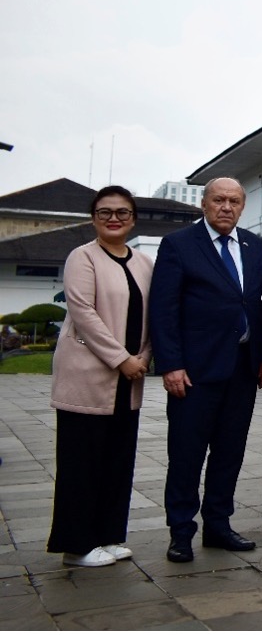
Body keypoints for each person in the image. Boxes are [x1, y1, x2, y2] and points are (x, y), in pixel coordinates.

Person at [150, 178, 262, 564]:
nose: (226, 207)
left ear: (242, 206)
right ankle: (181, 531)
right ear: (204, 204)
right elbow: (163, 310)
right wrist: (171, 364)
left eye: (234, 201)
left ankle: (218, 524)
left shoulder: (253, 246)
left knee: (229, 453)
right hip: (194, 372)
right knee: (186, 454)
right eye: (219, 200)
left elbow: (259, 306)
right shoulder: (178, 245)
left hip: (242, 369)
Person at [47, 186, 153, 567]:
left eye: (122, 212)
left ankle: (108, 535)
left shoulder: (144, 263)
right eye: (105, 212)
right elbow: (83, 313)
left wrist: (144, 356)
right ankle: (76, 546)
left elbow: (153, 316)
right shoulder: (83, 257)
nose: (114, 218)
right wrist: (121, 359)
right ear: (93, 218)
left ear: (133, 219)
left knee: (118, 460)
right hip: (87, 377)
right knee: (81, 463)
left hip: (129, 380)